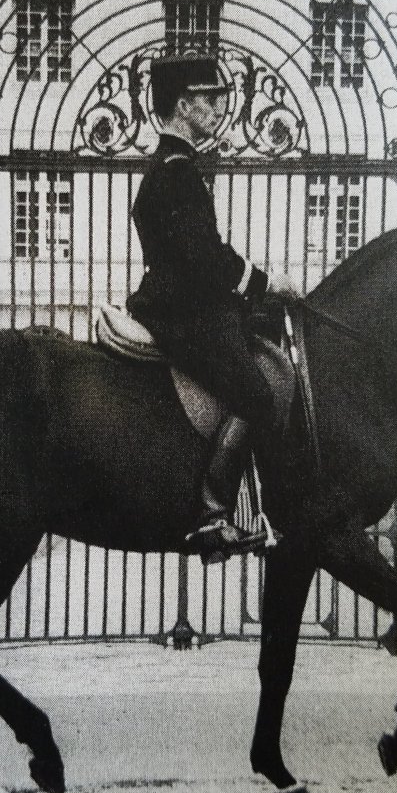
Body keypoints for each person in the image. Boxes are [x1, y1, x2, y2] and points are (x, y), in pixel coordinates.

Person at [127, 54, 284, 561]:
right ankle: (212, 515)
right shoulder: (176, 172)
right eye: (210, 99)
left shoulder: (175, 167)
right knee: (257, 396)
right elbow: (204, 258)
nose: (219, 109)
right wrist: (266, 282)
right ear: (182, 105)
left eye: (220, 99)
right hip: (184, 314)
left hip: (183, 307)